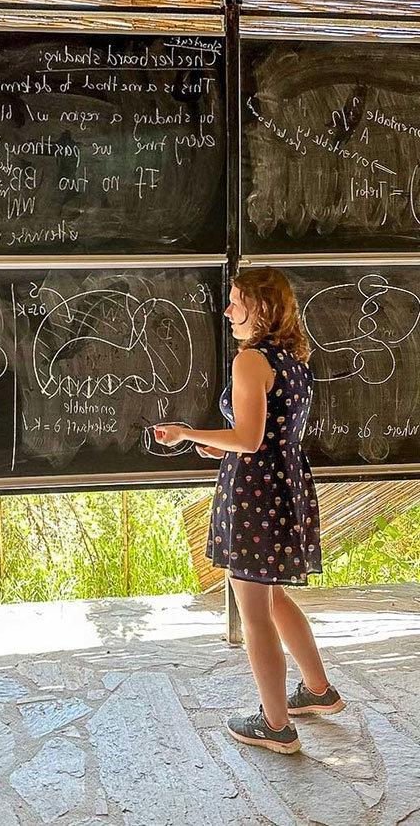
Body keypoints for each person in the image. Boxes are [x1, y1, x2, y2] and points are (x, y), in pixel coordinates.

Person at [154, 267, 344, 754]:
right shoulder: (293, 359)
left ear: (261, 308)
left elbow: (249, 438)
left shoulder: (251, 361)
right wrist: (222, 449)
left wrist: (187, 433)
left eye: (236, 301)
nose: (227, 310)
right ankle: (318, 692)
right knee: (274, 598)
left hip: (255, 496)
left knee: (254, 610)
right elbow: (265, 436)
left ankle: (276, 725)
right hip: (284, 487)